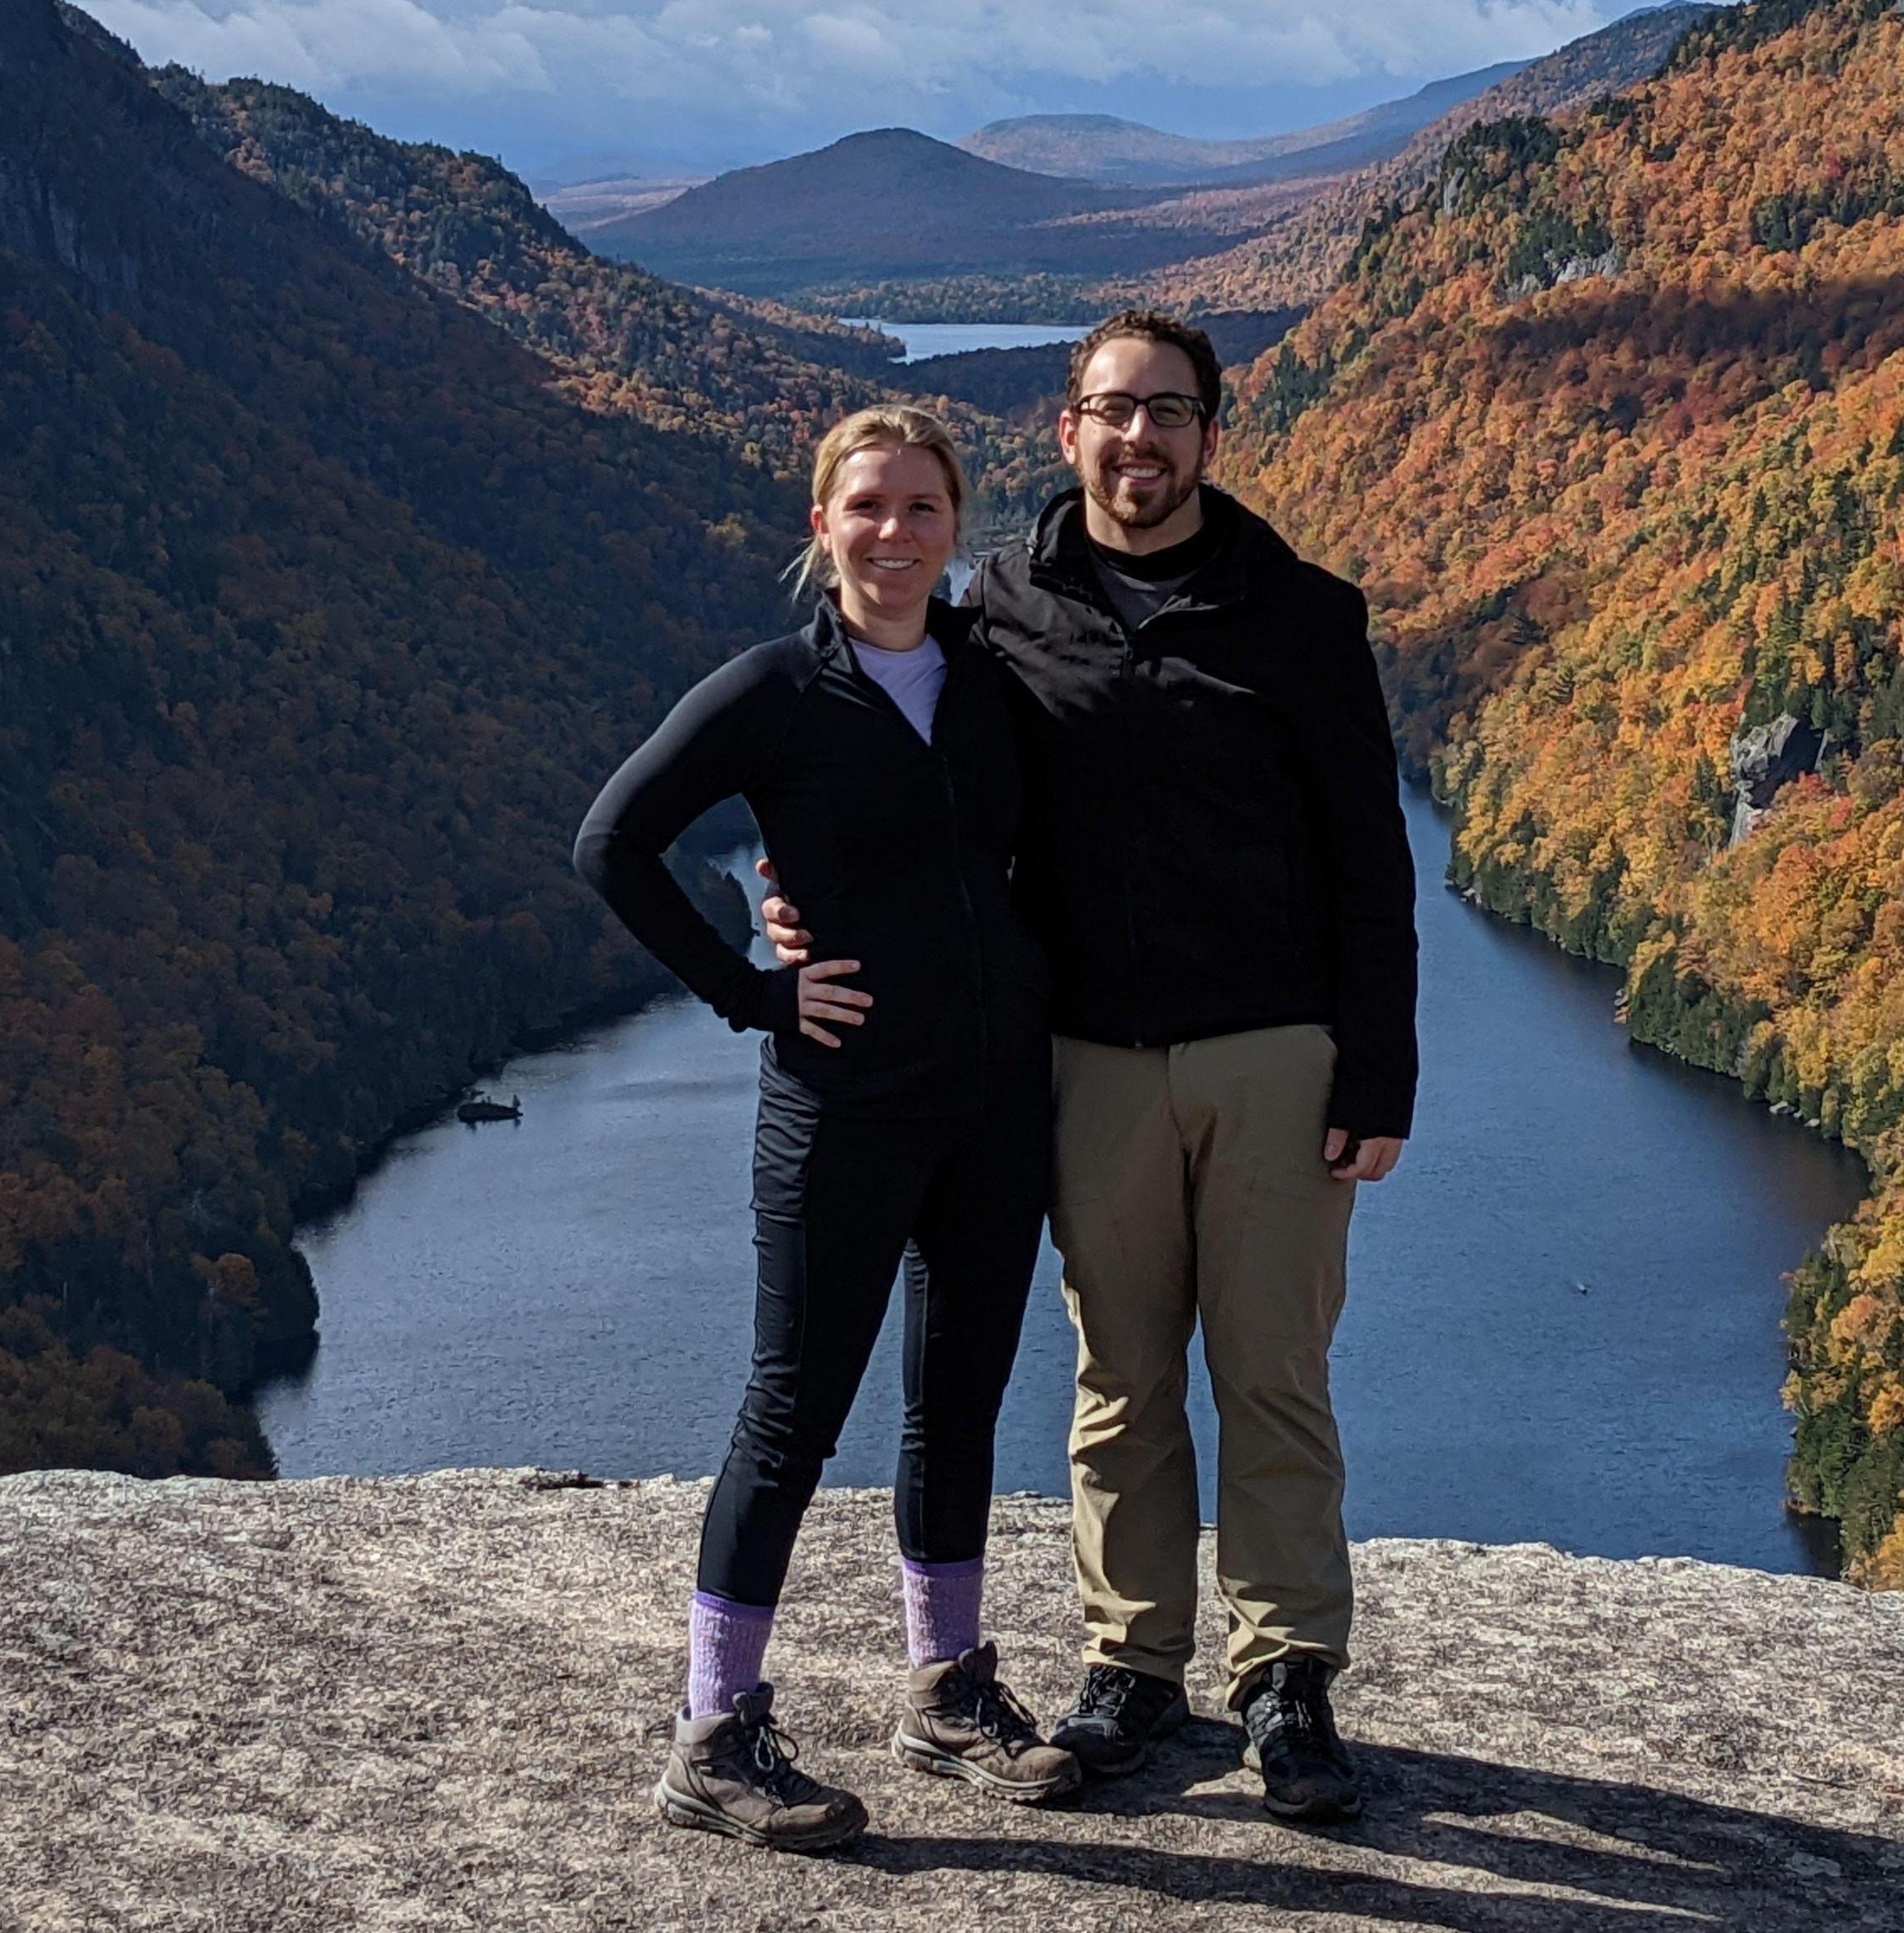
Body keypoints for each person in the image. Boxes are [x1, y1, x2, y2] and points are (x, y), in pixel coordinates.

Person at [764, 311, 1417, 1825]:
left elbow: (1372, 862)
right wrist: (799, 899)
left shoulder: (1304, 615)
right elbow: (895, 766)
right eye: (1114, 412)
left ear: (1211, 434)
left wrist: (1377, 1075)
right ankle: (1135, 1666)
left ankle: (1287, 1682)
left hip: (1276, 1053)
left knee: (1272, 1374)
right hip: (1086, 1061)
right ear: (1067, 431)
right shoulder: (1000, 607)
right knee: (1120, 1378)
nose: (1141, 441)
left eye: (1170, 414)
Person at [574, 404, 1081, 1855]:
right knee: (792, 1408)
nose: (896, 533)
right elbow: (611, 842)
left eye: (925, 509)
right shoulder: (774, 691)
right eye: (868, 506)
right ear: (822, 525)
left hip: (993, 1100)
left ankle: (946, 1689)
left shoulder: (994, 675)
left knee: (961, 1400)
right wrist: (752, 987)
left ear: (957, 528)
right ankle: (714, 1731)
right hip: (844, 1109)